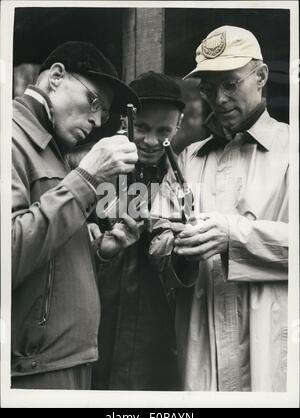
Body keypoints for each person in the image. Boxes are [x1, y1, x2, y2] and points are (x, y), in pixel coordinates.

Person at [150, 26, 288, 391]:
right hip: (202, 354)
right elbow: (157, 241)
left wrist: (233, 235)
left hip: (273, 349)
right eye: (209, 88)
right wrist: (179, 249)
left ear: (260, 77)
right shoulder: (187, 160)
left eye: (230, 84)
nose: (219, 98)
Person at [11, 41, 142, 389]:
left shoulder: (50, 147)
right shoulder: (10, 136)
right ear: (56, 77)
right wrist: (86, 178)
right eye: (94, 101)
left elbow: (49, 262)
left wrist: (100, 252)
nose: (98, 120)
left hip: (65, 360)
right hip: (35, 369)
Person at [91, 71, 185, 390]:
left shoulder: (183, 179)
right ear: (125, 122)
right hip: (97, 335)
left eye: (164, 131)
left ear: (179, 126)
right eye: (142, 128)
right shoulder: (97, 172)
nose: (150, 141)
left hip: (156, 343)